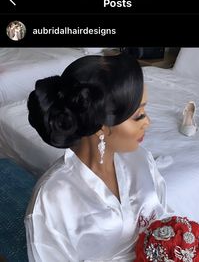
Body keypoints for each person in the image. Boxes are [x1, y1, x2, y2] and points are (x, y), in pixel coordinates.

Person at [25, 53, 173, 262]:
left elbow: (163, 216)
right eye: (138, 115)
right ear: (101, 126)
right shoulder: (53, 198)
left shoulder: (141, 159)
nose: (147, 122)